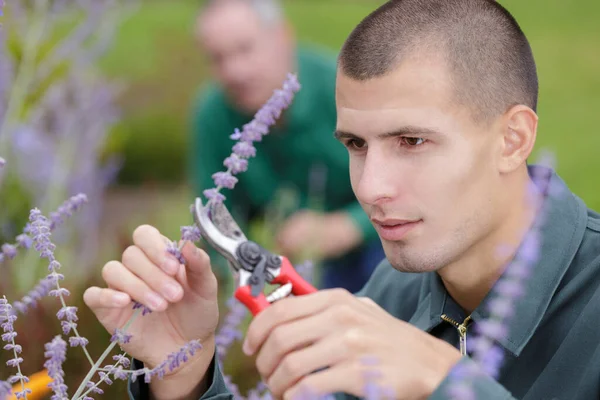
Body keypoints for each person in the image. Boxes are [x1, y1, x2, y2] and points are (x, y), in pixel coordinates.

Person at [84, 0, 600, 399]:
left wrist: (443, 379)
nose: (371, 187)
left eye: (412, 141)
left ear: (512, 140)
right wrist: (185, 373)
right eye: (355, 144)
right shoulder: (391, 293)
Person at [188, 0, 384, 293]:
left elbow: (413, 183)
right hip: (285, 263)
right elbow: (216, 215)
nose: (234, 71)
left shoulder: (343, 88)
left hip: (375, 247)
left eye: (245, 49)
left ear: (282, 37)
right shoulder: (213, 113)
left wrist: (348, 226)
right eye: (218, 59)